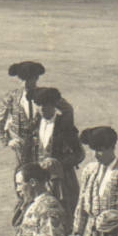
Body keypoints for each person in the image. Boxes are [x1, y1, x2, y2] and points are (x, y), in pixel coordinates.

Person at [30, 86, 83, 224]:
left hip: (61, 180)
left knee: (63, 214)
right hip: (39, 179)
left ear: (54, 105)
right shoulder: (35, 125)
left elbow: (79, 154)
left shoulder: (65, 126)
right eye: (39, 105)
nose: (42, 109)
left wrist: (58, 164)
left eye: (46, 105)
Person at [0, 61, 47, 171]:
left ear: (36, 78)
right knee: (21, 175)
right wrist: (8, 140)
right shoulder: (12, 96)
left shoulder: (45, 95)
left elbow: (66, 110)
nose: (25, 83)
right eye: (22, 79)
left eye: (29, 79)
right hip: (20, 145)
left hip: (42, 144)